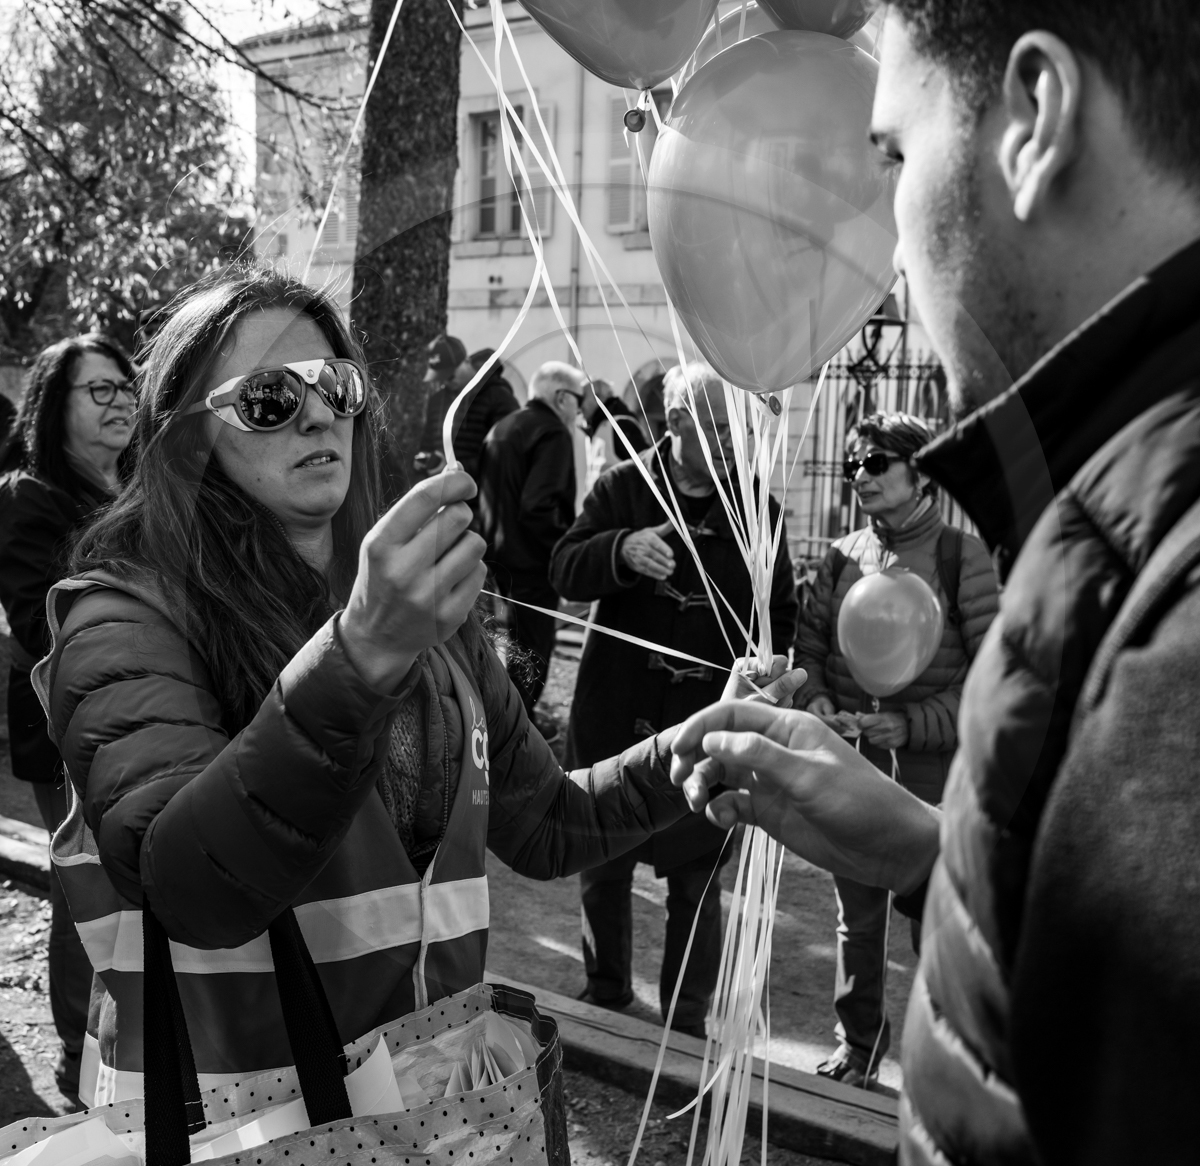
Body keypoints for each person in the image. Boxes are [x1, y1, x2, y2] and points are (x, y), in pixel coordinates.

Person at [35, 268, 801, 1108]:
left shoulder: (419, 610)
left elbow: (546, 823)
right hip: (234, 1134)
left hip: (423, 1126)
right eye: (267, 398)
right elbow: (188, 888)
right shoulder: (124, 617)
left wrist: (695, 749)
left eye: (337, 384)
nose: (321, 412)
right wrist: (360, 655)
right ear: (187, 438)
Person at [669, 1, 1200, 1166]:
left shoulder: (1168, 614)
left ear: (1036, 119)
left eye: (895, 155)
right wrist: (932, 852)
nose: (887, 245)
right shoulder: (1116, 516)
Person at [551, 362, 798, 1038]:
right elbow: (563, 566)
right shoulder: (622, 487)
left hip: (705, 728)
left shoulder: (757, 513)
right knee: (602, 866)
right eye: (717, 429)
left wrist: (770, 666)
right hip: (614, 720)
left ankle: (686, 1024)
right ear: (677, 423)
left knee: (697, 883)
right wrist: (620, 549)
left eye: (736, 431)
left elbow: (783, 615)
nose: (730, 444)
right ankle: (605, 997)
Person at [792, 410, 997, 1086]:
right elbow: (813, 648)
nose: (860, 475)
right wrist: (818, 700)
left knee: (934, 920)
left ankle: (944, 1061)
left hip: (934, 775)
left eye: (877, 462)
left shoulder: (961, 559)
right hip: (852, 765)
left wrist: (913, 726)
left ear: (922, 474)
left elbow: (991, 676)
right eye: (855, 462)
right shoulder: (842, 555)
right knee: (857, 915)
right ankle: (858, 1046)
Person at [0, 333, 136, 1103]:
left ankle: (127, 1048)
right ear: (57, 405)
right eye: (100, 390)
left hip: (141, 715)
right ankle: (76, 1055)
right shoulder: (30, 495)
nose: (121, 401)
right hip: (67, 725)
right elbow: (35, 620)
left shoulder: (135, 484)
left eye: (126, 386)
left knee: (133, 884)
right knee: (85, 887)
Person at [478, 361, 585, 718]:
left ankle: (502, 723)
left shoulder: (503, 427)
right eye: (578, 400)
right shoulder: (552, 431)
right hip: (533, 561)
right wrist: (563, 554)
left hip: (494, 556)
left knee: (503, 649)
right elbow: (539, 507)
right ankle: (519, 732)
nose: (580, 410)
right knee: (532, 652)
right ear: (560, 397)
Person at [449, 348, 519, 490]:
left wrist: (460, 467)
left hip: (484, 495)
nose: (447, 382)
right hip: (462, 488)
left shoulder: (501, 399)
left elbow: (504, 455)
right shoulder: (465, 398)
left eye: (451, 376)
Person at [413, 332, 469, 476]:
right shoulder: (436, 400)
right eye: (441, 378)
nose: (446, 382)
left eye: (450, 376)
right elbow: (428, 442)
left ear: (465, 363)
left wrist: (452, 466)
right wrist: (424, 458)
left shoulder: (490, 397)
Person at [579, 377, 649, 493]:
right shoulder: (601, 425)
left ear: (599, 397)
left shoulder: (621, 424)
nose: (579, 405)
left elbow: (644, 470)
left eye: (583, 397)